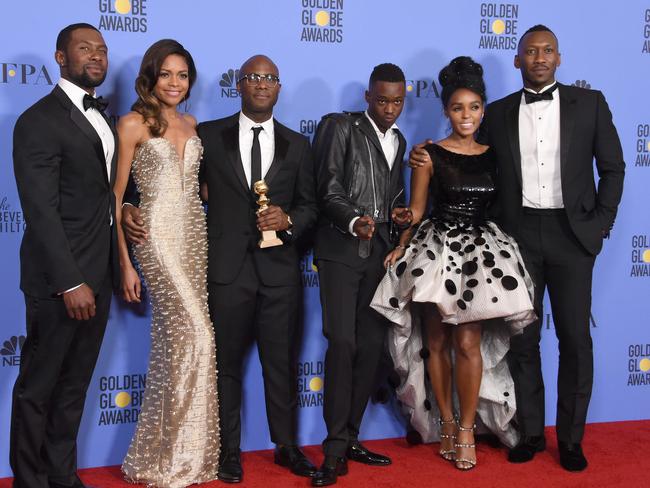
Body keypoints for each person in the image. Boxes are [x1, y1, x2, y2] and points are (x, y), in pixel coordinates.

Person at [410, 26, 625, 472]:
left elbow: (614, 168)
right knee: (524, 342)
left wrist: (601, 225)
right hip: (516, 237)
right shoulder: (499, 112)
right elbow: (464, 148)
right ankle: (529, 432)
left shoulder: (591, 104)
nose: (539, 57)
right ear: (517, 60)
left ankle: (570, 440)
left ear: (559, 58)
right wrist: (423, 154)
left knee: (574, 340)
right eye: (531, 51)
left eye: (547, 51)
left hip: (573, 237)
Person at [122, 54, 318, 484]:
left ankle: (286, 447)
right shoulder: (207, 134)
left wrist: (290, 220)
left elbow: (311, 207)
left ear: (279, 88)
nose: (261, 84)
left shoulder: (299, 145)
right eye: (252, 77)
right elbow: (166, 179)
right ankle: (228, 453)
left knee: (281, 364)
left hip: (281, 272)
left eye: (270, 78)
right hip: (225, 270)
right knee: (223, 364)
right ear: (239, 85)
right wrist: (130, 205)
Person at [372, 56, 536, 471]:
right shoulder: (428, 154)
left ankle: (466, 428)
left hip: (481, 258)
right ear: (446, 110)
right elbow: (418, 208)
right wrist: (403, 240)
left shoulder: (495, 155)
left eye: (474, 107)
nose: (467, 115)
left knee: (468, 343)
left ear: (483, 109)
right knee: (438, 344)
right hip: (438, 253)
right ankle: (445, 421)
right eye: (458, 107)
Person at [10, 23, 119, 488]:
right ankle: (29, 480)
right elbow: (42, 212)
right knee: (38, 388)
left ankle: (61, 474)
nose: (94, 56)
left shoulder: (103, 117)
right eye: (83, 49)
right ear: (60, 58)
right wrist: (70, 282)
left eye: (100, 49)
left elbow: (100, 195)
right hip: (61, 282)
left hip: (101, 273)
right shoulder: (37, 120)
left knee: (74, 386)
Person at [113, 39, 220, 487]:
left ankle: (176, 456)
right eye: (166, 74)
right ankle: (175, 459)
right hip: (155, 237)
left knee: (177, 347)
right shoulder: (132, 124)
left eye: (182, 75)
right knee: (198, 335)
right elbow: (116, 200)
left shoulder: (193, 124)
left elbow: (202, 190)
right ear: (150, 77)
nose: (174, 83)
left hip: (195, 235)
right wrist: (125, 263)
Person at [310, 63, 407, 487]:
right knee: (343, 342)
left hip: (379, 256)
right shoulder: (340, 126)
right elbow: (327, 187)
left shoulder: (400, 140)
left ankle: (350, 437)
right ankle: (332, 450)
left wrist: (398, 215)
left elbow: (391, 194)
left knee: (370, 345)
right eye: (382, 100)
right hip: (339, 250)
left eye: (397, 101)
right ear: (368, 97)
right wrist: (354, 221)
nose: (389, 109)